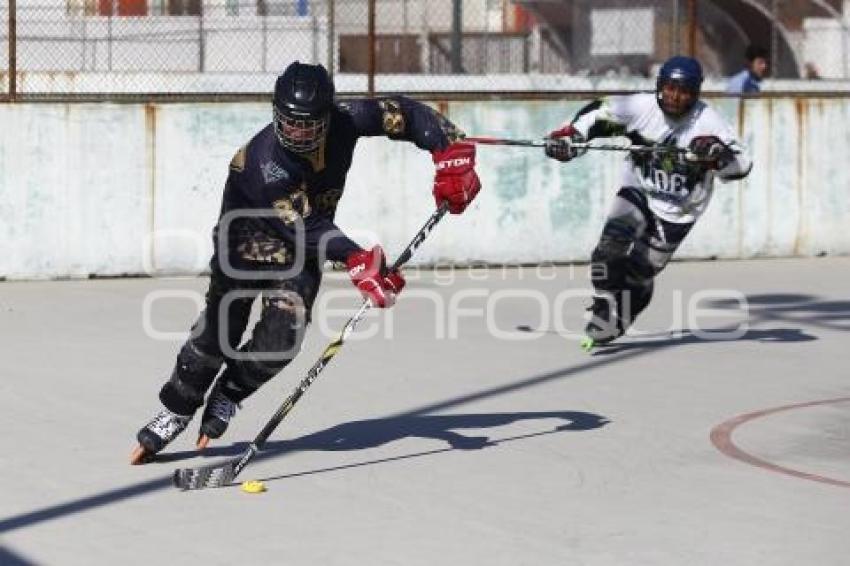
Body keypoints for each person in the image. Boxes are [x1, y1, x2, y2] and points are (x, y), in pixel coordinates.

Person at [131, 61, 481, 463]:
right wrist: (357, 259)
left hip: (302, 246)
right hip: (247, 243)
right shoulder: (266, 164)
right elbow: (305, 225)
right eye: (289, 122)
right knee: (219, 331)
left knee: (283, 339)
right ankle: (176, 408)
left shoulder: (347, 120)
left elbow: (406, 114)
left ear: (327, 118)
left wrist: (449, 150)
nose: (297, 132)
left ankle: (230, 392)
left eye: (308, 125)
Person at [544, 55, 752, 347]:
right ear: (659, 86)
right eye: (669, 88)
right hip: (638, 189)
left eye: (684, 91)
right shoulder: (640, 106)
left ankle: (628, 309)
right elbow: (598, 114)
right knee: (608, 248)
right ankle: (604, 306)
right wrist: (569, 138)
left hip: (678, 210)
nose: (675, 97)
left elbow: (742, 166)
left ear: (696, 93)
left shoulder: (709, 122)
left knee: (640, 271)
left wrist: (716, 154)